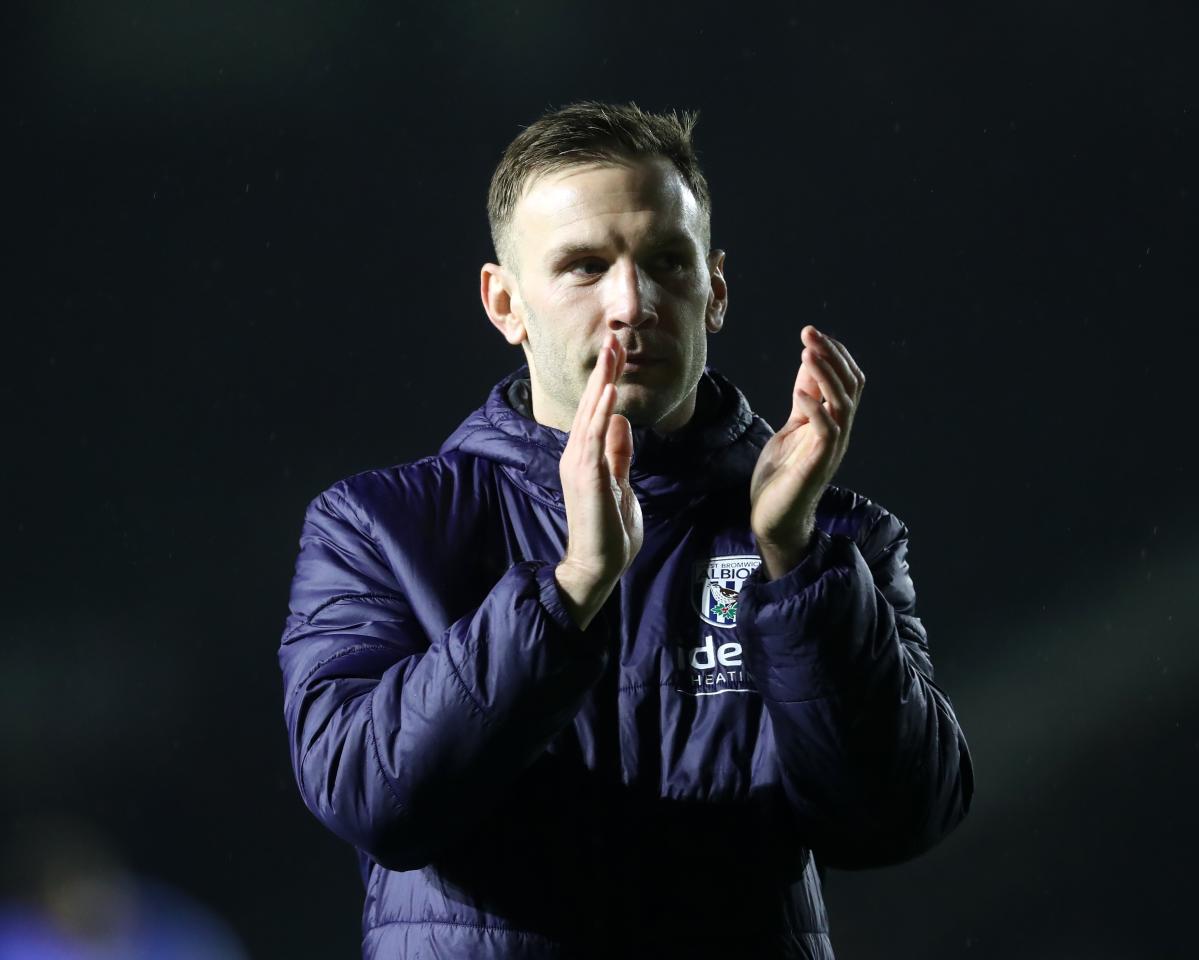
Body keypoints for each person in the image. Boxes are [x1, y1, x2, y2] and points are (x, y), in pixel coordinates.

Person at [277, 99, 974, 960]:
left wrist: (795, 567)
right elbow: (371, 796)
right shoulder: (378, 529)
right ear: (505, 303)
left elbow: (897, 820)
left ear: (714, 291)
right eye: (582, 266)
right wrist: (568, 592)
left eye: (666, 262)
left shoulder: (837, 544)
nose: (632, 301)